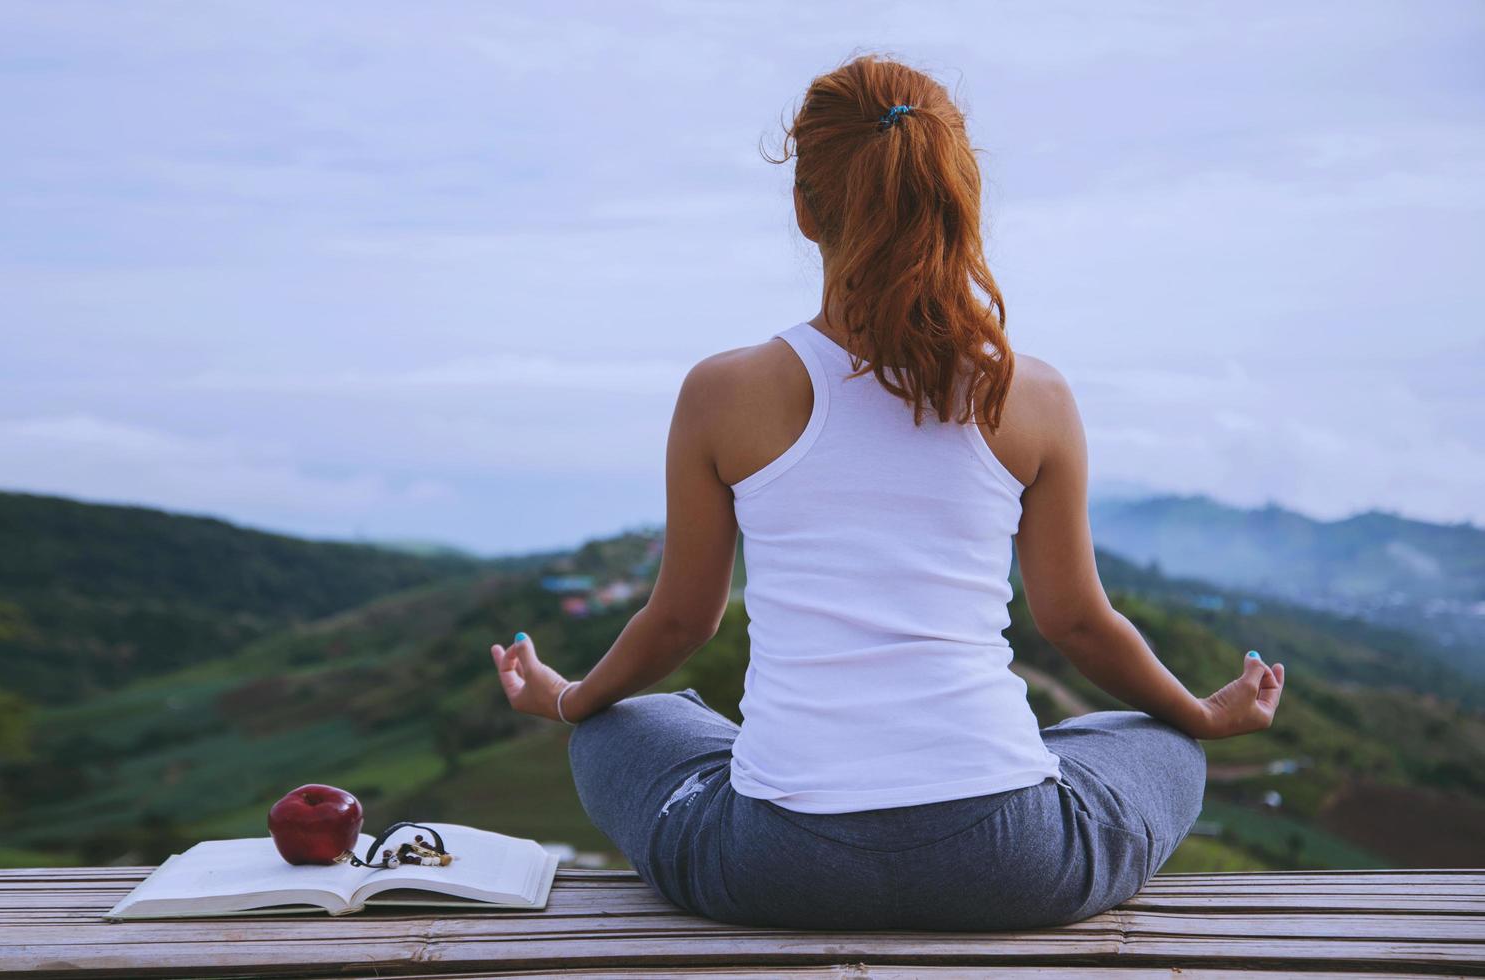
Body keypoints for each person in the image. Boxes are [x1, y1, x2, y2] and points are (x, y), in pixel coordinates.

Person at [486, 52, 1287, 932]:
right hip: (1014, 862)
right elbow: (1077, 624)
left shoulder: (723, 393)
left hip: (777, 867)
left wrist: (563, 698)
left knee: (618, 726)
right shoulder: (1034, 396)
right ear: (959, 198)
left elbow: (682, 622)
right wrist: (1201, 713)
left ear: (804, 209)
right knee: (1153, 738)